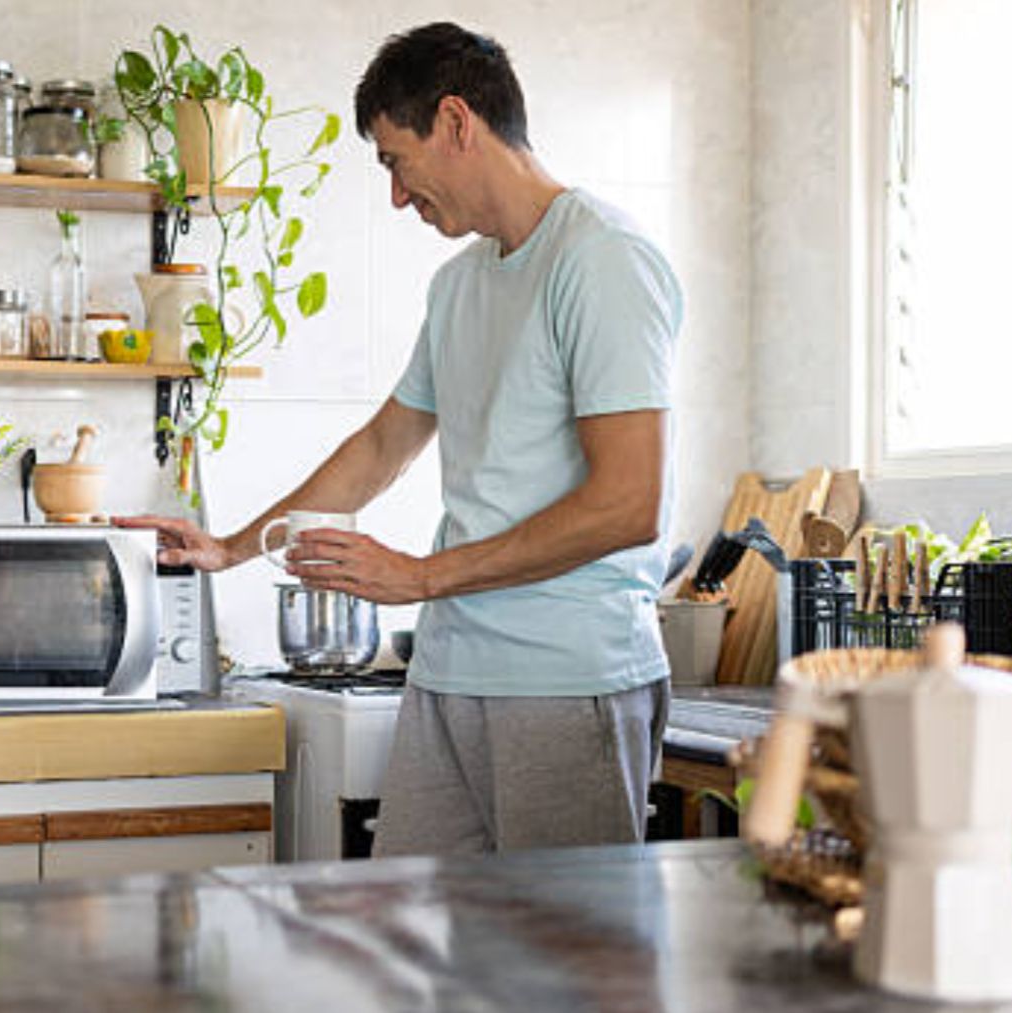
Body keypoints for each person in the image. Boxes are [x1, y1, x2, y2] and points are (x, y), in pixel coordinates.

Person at [117, 22, 682, 857]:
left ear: (456, 122)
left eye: (393, 159)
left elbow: (630, 504)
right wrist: (231, 547)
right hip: (452, 675)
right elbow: (384, 444)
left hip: (566, 679)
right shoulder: (459, 285)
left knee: (564, 972)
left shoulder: (602, 259)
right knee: (414, 948)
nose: (396, 194)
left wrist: (421, 576)